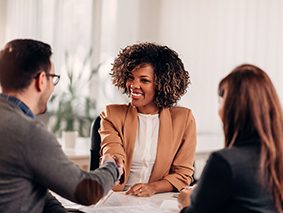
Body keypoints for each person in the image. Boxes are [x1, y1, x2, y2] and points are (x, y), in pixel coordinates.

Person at [0, 39, 122, 213]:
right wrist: (112, 167)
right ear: (41, 80)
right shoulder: (28, 133)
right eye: (53, 78)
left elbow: (32, 184)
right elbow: (89, 191)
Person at [179, 64, 283, 213]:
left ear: (231, 108)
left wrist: (189, 200)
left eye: (220, 101)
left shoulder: (224, 162)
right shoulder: (275, 158)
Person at [99, 42, 196, 197]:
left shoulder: (183, 119)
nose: (134, 85)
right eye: (130, 77)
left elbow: (183, 174)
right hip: (118, 198)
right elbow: (113, 150)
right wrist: (112, 161)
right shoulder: (112, 115)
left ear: (162, 85)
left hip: (158, 200)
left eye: (144, 80)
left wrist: (153, 187)